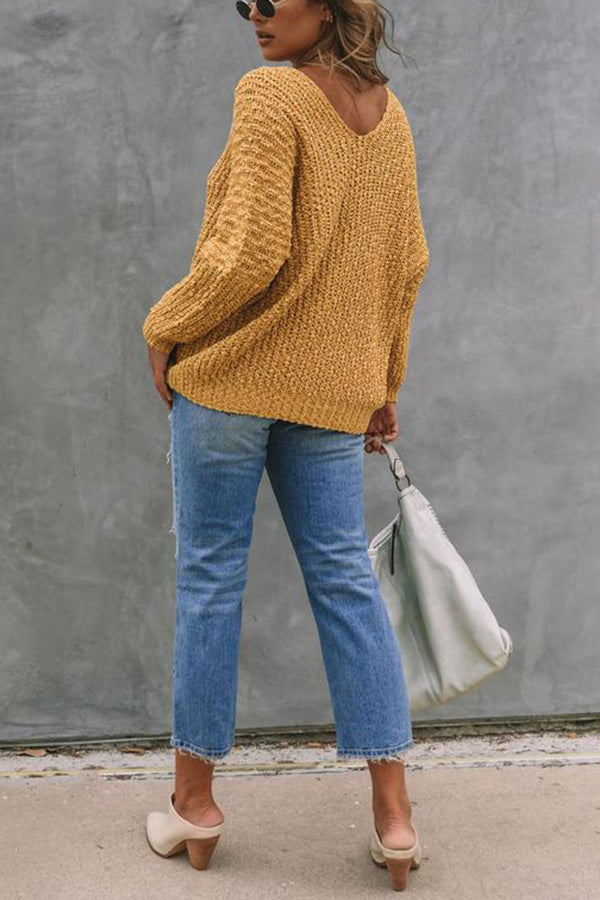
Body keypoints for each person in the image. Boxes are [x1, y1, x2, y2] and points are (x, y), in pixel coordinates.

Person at [142, 0, 429, 890]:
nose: (256, 14)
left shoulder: (271, 95)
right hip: (334, 392)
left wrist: (164, 325)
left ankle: (195, 807)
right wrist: (383, 381)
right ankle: (395, 820)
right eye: (246, 2)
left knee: (210, 581)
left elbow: (248, 252)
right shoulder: (389, 114)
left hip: (232, 382)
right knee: (345, 581)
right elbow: (405, 263)